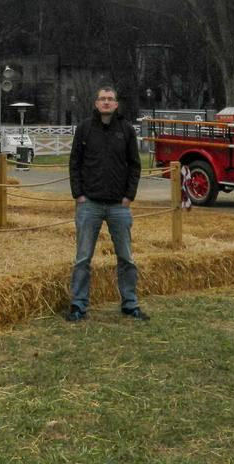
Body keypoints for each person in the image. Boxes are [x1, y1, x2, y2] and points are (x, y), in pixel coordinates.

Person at [66, 85, 148, 322]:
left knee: (126, 258)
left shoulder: (126, 130)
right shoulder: (84, 129)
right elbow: (74, 163)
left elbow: (135, 165)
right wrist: (78, 195)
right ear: (96, 103)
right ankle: (78, 305)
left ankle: (130, 303)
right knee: (83, 258)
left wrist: (129, 196)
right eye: (102, 98)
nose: (106, 102)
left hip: (118, 206)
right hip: (89, 204)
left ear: (116, 104)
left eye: (110, 99)